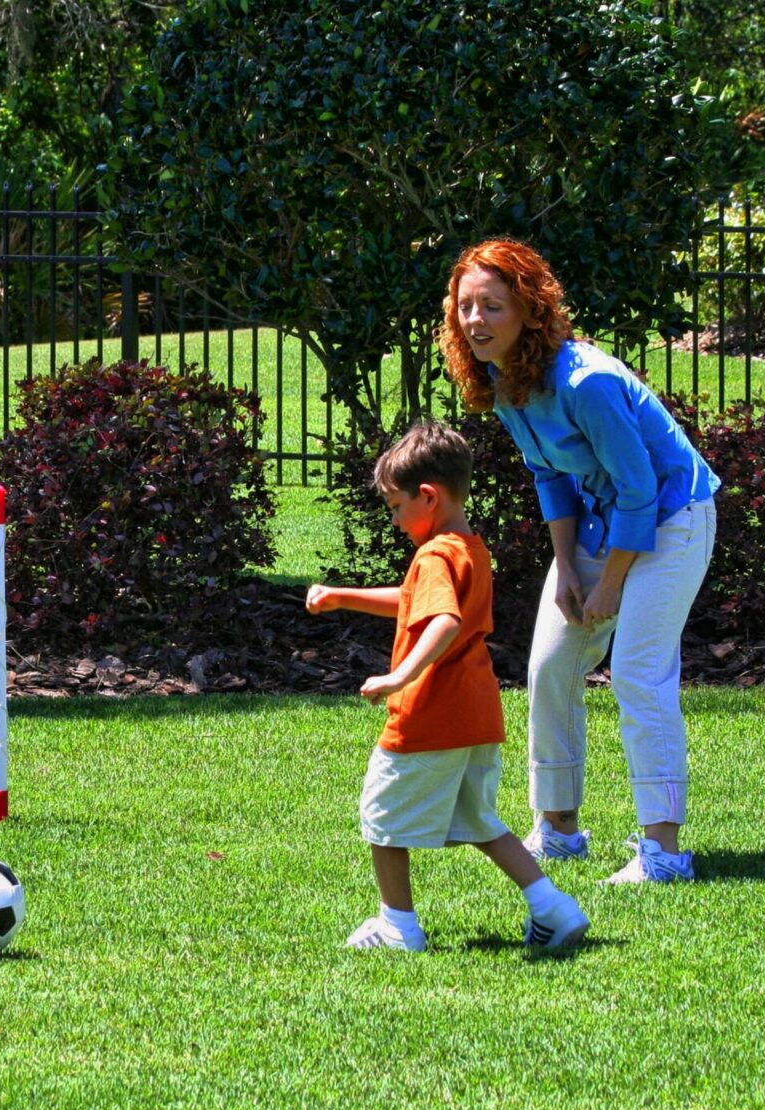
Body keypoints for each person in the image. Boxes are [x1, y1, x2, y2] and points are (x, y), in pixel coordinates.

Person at [440, 239, 720, 885]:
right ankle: (559, 831)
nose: (476, 320)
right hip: (600, 523)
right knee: (550, 667)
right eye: (466, 307)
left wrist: (611, 583)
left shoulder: (585, 383)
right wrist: (566, 565)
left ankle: (664, 853)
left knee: (638, 675)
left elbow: (641, 489)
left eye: (493, 306)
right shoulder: (500, 377)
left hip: (672, 519)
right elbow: (549, 474)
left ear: (530, 310)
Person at [306, 422, 589, 952]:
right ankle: (553, 907)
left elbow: (443, 621)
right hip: (474, 714)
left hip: (430, 714)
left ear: (428, 497)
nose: (393, 519)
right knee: (479, 820)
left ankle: (398, 927)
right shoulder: (467, 547)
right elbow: (419, 599)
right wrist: (345, 596)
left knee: (381, 817)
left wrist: (399, 675)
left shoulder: (434, 554)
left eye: (394, 506)